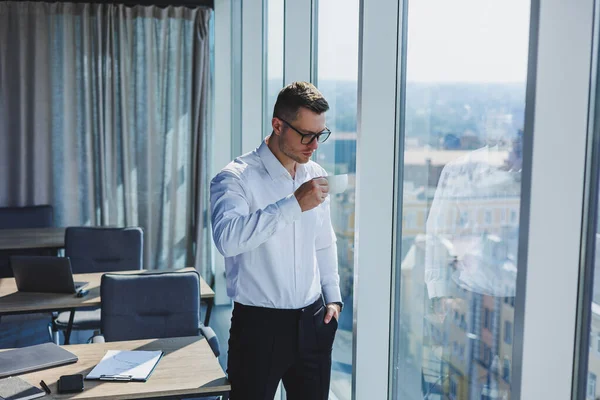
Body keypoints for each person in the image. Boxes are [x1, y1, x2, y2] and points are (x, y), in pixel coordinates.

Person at [210, 81, 343, 400]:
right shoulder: (235, 177)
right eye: (306, 135)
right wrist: (293, 203)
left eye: (320, 135)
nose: (314, 145)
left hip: (313, 322)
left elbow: (324, 241)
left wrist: (334, 298)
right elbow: (227, 239)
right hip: (259, 328)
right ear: (278, 125)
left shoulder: (315, 172)